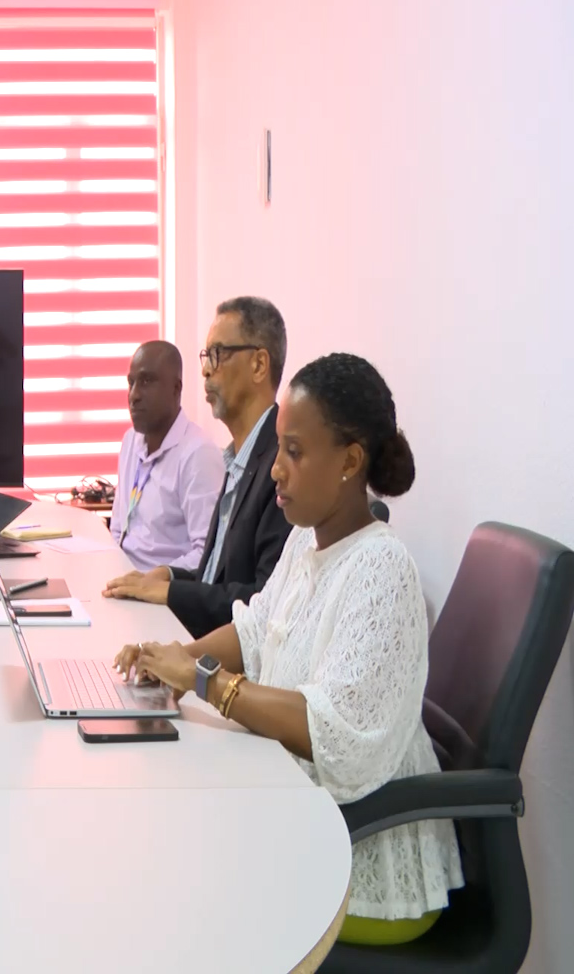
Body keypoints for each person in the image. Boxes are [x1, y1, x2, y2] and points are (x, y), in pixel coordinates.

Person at [114, 353, 462, 944]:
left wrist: (204, 680)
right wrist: (174, 659)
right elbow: (254, 631)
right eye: (278, 449)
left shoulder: (381, 569)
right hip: (303, 820)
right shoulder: (307, 540)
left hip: (364, 869)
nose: (276, 470)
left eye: (295, 453)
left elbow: (332, 732)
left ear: (350, 461)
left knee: (166, 887)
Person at [104, 297, 293, 637]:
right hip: (197, 640)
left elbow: (263, 603)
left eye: (218, 354)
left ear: (259, 365)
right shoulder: (238, 460)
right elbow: (216, 578)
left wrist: (173, 592)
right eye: (206, 357)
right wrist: (171, 577)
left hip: (226, 663)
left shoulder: (280, 467)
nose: (206, 370)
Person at [108, 341, 225, 572]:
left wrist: (152, 579)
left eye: (146, 381)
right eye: (131, 383)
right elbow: (118, 530)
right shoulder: (130, 441)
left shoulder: (198, 454)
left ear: (176, 388)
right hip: (122, 580)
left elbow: (207, 554)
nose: (134, 395)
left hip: (161, 595)